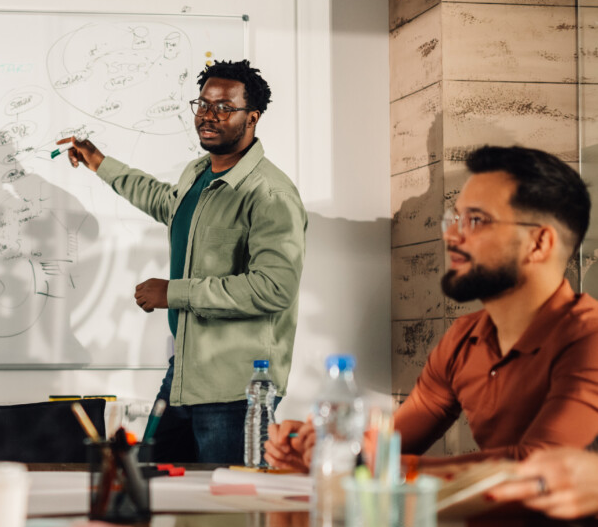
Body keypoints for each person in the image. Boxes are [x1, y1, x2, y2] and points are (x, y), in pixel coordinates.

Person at [267, 145, 598, 472]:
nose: (451, 235)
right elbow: (394, 440)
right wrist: (323, 449)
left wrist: (365, 464)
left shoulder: (589, 339)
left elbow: (539, 468)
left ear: (538, 243)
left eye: (476, 220)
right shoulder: (464, 338)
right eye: (454, 218)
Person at [58, 59, 307, 464]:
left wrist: (174, 292)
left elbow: (273, 288)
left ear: (253, 117)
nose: (209, 116)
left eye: (224, 107)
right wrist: (100, 162)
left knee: (228, 513)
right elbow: (162, 200)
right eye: (203, 104)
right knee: (144, 485)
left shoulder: (269, 194)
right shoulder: (198, 174)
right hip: (185, 376)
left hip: (236, 390)